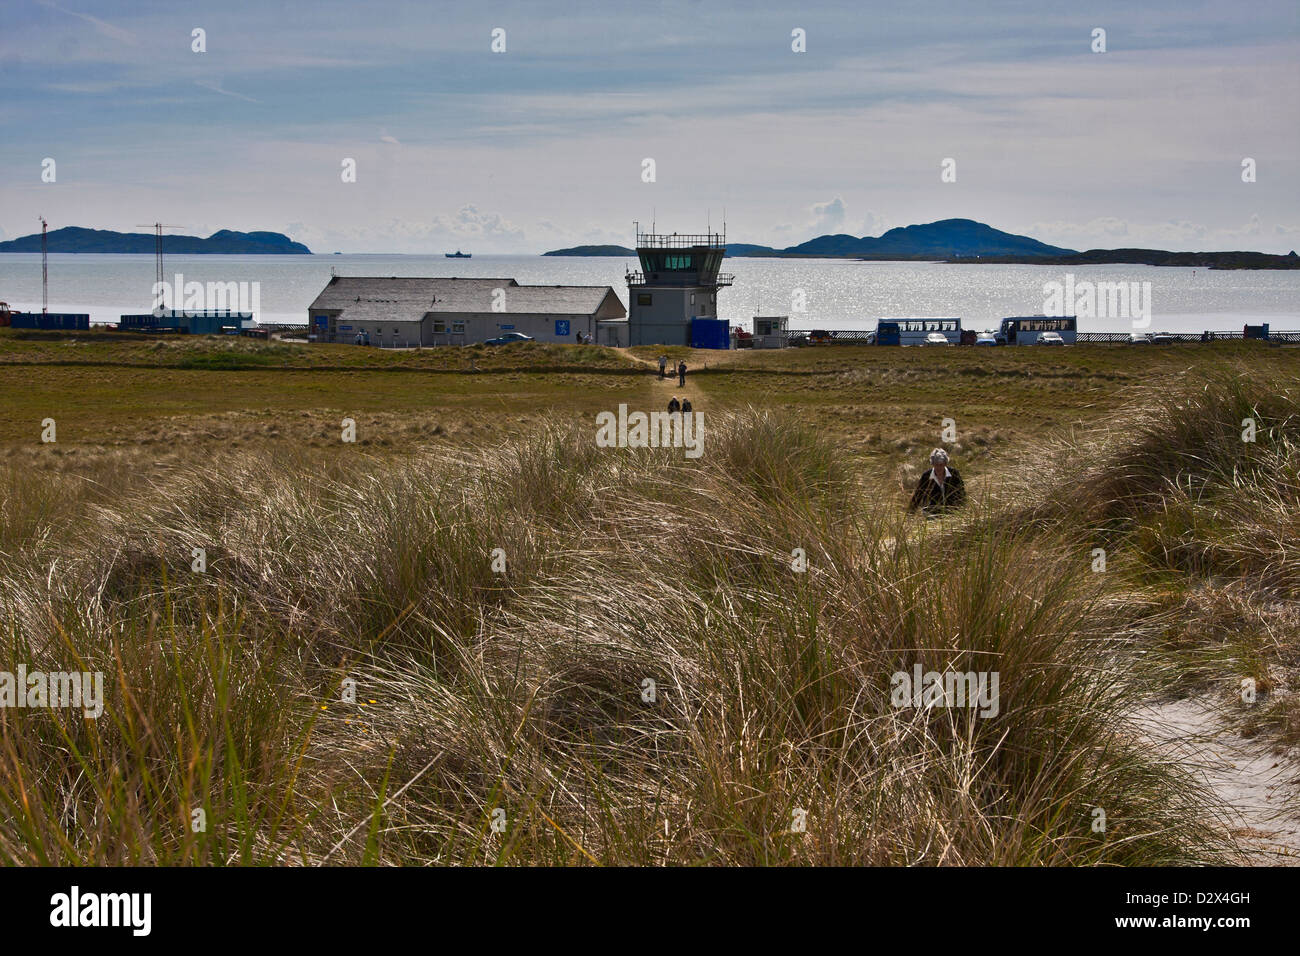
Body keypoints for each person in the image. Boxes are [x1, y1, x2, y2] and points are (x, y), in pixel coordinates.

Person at [908, 448, 966, 515]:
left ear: (945, 464)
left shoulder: (954, 473)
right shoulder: (926, 476)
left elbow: (961, 493)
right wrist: (910, 513)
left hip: (952, 511)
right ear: (932, 464)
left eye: (941, 465)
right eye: (936, 465)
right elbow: (918, 495)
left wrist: (962, 511)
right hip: (931, 512)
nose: (938, 468)